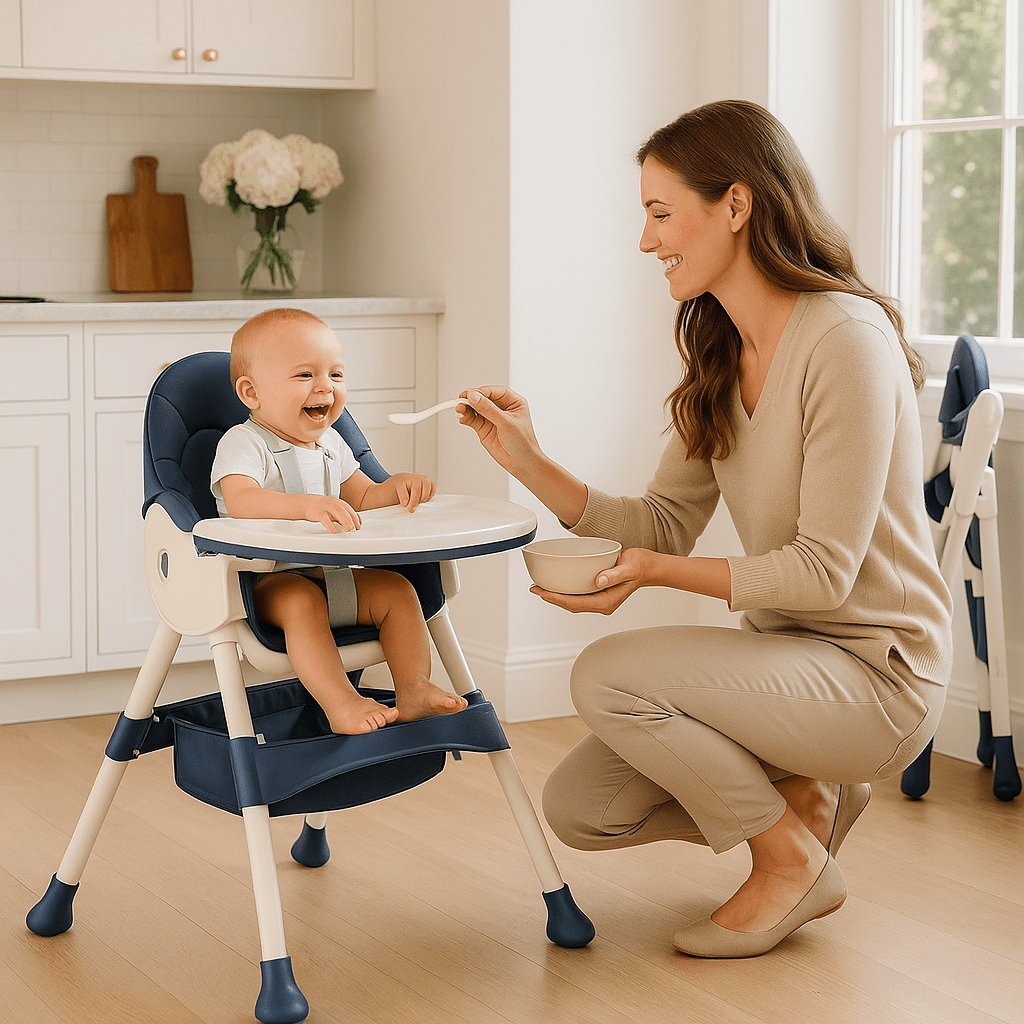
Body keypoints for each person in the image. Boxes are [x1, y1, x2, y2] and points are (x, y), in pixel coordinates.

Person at [457, 99, 952, 958]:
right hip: (787, 666)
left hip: (879, 677)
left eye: (660, 213)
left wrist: (653, 573)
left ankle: (789, 859)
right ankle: (807, 798)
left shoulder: (845, 339)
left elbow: (823, 573)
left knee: (607, 674)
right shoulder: (723, 349)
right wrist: (527, 460)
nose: (645, 241)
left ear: (736, 205)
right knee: (583, 810)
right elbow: (660, 522)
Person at [211, 307, 468, 734]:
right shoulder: (244, 442)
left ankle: (414, 687)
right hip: (267, 582)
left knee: (399, 592)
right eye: (305, 375)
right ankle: (341, 702)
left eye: (336, 374)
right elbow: (241, 500)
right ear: (251, 393)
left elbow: (363, 496)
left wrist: (397, 487)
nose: (325, 387)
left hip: (333, 577)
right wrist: (305, 506)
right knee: (301, 601)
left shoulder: (332, 443)